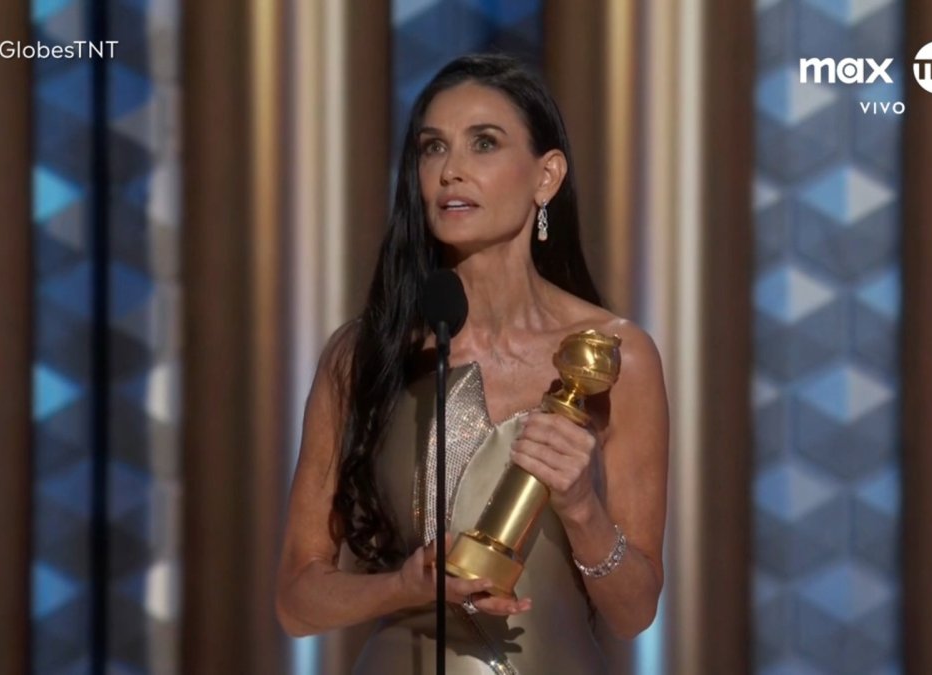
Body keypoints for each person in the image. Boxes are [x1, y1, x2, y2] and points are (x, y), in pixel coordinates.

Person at [275, 53, 669, 674]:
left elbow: (634, 613)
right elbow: (296, 602)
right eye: (433, 149)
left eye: (483, 144)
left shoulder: (616, 354)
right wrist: (403, 587)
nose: (451, 171)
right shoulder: (365, 355)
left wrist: (583, 509)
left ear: (547, 176)